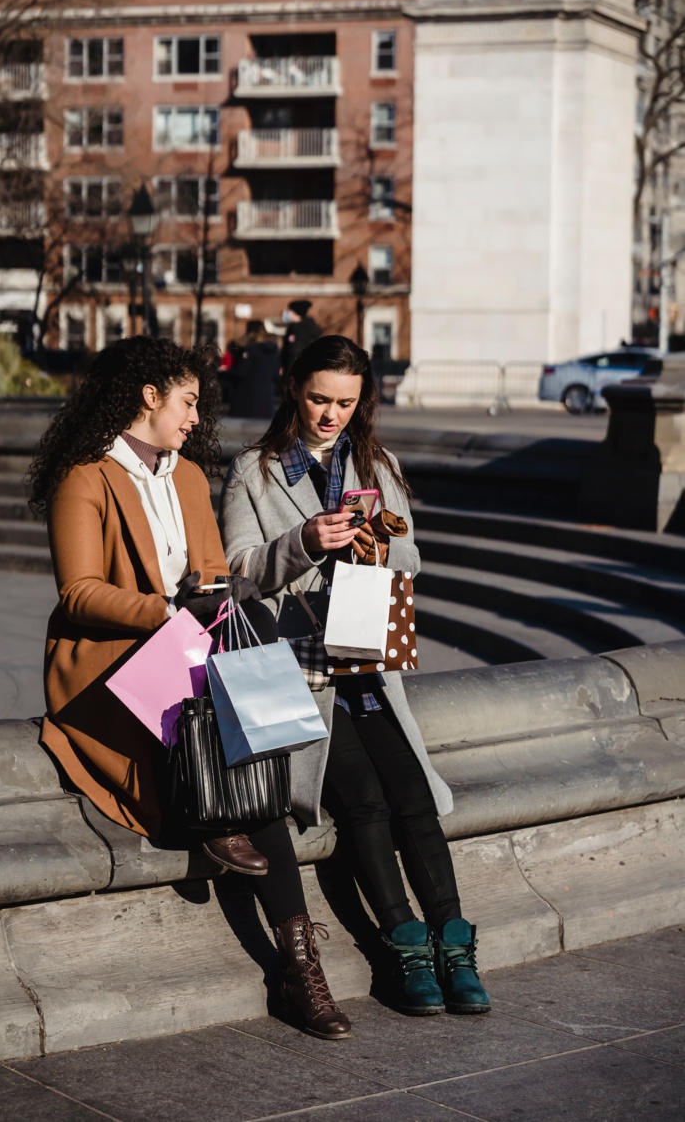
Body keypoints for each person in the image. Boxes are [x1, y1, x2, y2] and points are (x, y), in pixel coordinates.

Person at [28, 335, 351, 1041]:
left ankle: (297, 960)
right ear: (149, 395)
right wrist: (169, 612)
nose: (195, 416)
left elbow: (214, 571)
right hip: (111, 667)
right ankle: (297, 960)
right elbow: (79, 593)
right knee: (249, 756)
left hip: (188, 652)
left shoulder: (184, 477)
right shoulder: (86, 476)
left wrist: (210, 600)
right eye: (188, 400)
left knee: (251, 709)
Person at [219, 334, 490, 1016]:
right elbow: (238, 574)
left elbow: (413, 557)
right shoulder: (253, 470)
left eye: (345, 401)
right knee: (362, 799)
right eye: (318, 398)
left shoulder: (377, 461)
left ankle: (454, 947)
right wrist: (305, 540)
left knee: (413, 795)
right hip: (300, 668)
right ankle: (404, 948)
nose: (330, 414)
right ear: (291, 387)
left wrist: (381, 543)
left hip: (366, 653)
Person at [228, 323, 281, 419]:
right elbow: (276, 373)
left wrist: (225, 373)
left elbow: (241, 372)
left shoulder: (250, 350)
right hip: (267, 398)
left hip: (248, 399)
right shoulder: (273, 351)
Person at [281, 299, 322, 376]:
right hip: (289, 370)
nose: (287, 313)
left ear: (296, 313)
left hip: (300, 370)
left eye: (290, 311)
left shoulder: (305, 330)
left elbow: (296, 351)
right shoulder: (292, 329)